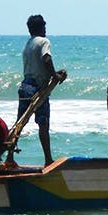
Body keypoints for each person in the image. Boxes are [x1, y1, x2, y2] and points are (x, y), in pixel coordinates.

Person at [18, 14, 67, 166]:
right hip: (38, 88)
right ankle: (48, 159)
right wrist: (55, 75)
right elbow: (46, 59)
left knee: (20, 123)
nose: (45, 29)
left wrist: (54, 73)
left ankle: (9, 158)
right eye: (44, 26)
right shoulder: (44, 41)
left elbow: (35, 66)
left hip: (25, 85)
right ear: (41, 27)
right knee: (43, 124)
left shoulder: (28, 44)